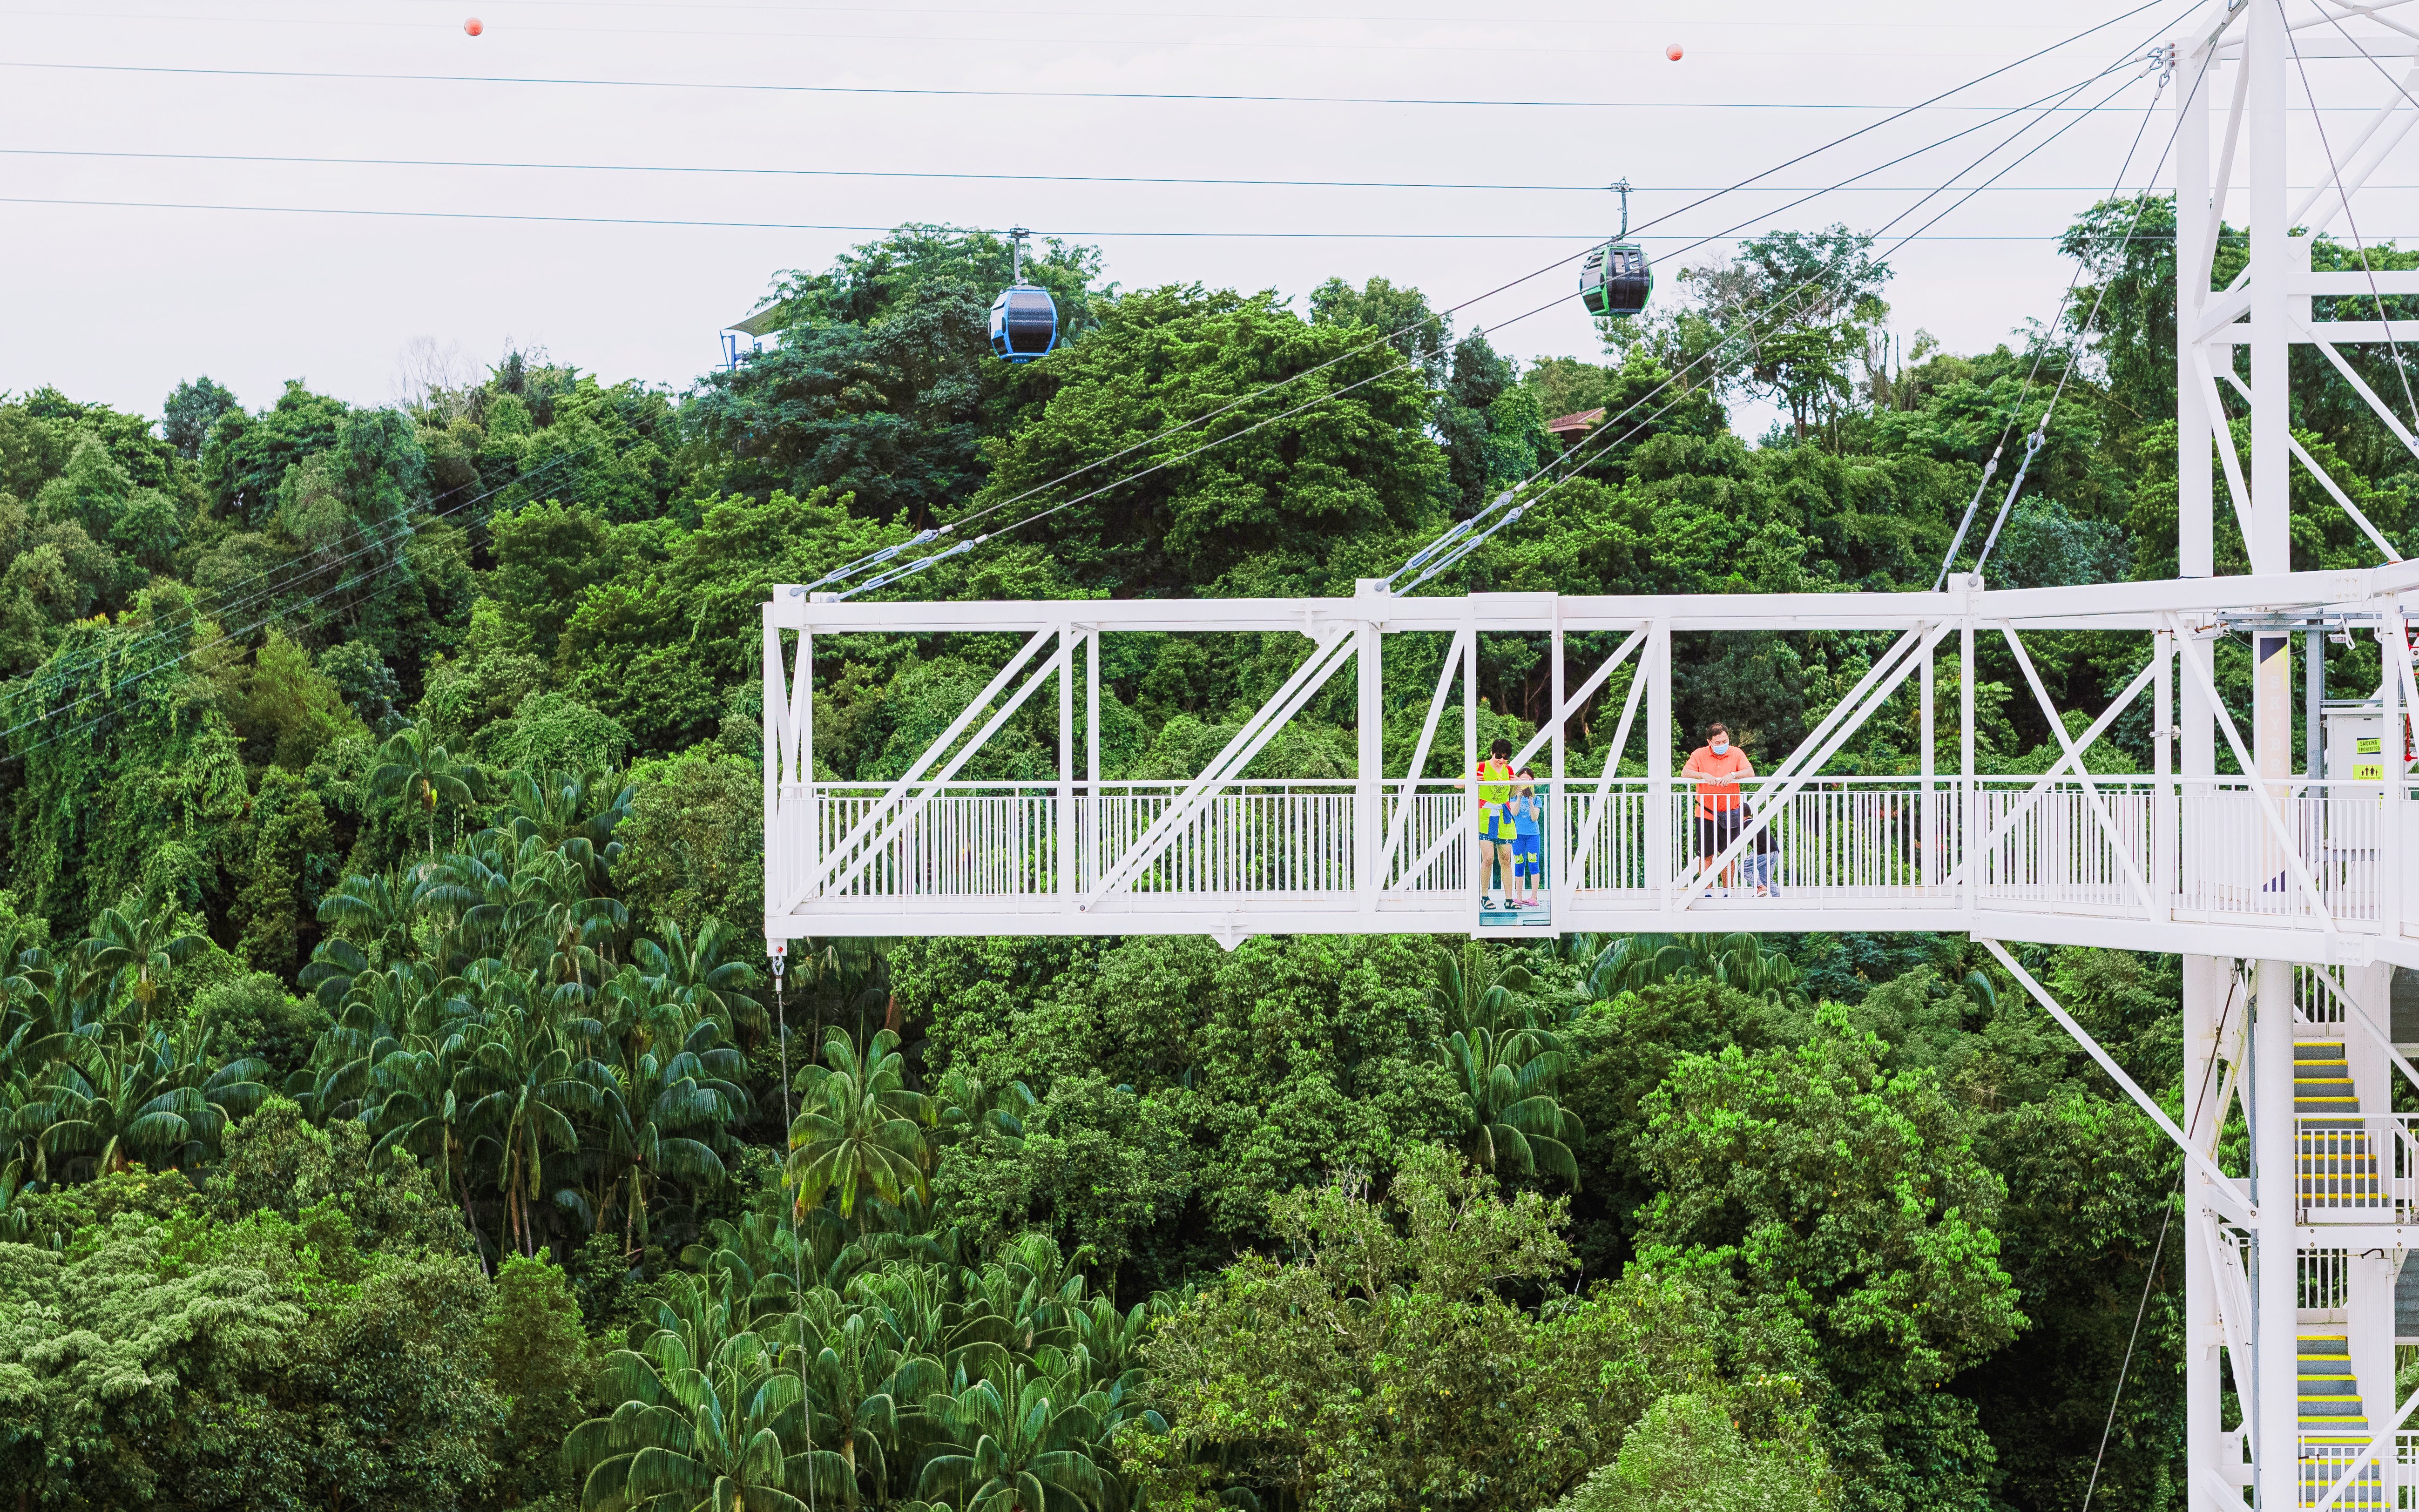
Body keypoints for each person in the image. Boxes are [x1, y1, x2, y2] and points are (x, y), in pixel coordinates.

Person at [1681, 722, 1754, 893]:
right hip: (1706, 812)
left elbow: (1750, 772)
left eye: (1725, 741)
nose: (1722, 745)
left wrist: (1734, 775)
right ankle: (1706, 890)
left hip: (1731, 812)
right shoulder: (1699, 754)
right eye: (1718, 742)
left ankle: (1727, 891)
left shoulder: (1736, 753)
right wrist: (1703, 775)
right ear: (1710, 742)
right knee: (1706, 855)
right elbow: (1686, 772)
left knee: (1728, 855)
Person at [1473, 737, 1517, 910]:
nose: (1502, 760)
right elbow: (1457, 784)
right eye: (1499, 755)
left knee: (1506, 858)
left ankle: (1509, 899)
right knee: (1488, 858)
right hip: (1485, 817)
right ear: (1492, 752)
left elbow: (1513, 792)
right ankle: (1484, 896)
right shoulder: (1481, 767)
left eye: (1506, 757)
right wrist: (1474, 779)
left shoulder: (1509, 770)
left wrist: (1518, 784)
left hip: (1504, 817)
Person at [1512, 768, 1544, 909]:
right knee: (1519, 864)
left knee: (1533, 863)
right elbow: (1514, 812)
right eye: (1522, 780)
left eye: (1528, 781)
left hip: (1533, 836)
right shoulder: (1513, 797)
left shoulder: (1537, 799)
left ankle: (1534, 896)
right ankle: (1519, 897)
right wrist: (1519, 797)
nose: (1525, 784)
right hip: (1517, 835)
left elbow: (1534, 818)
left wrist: (1531, 801)